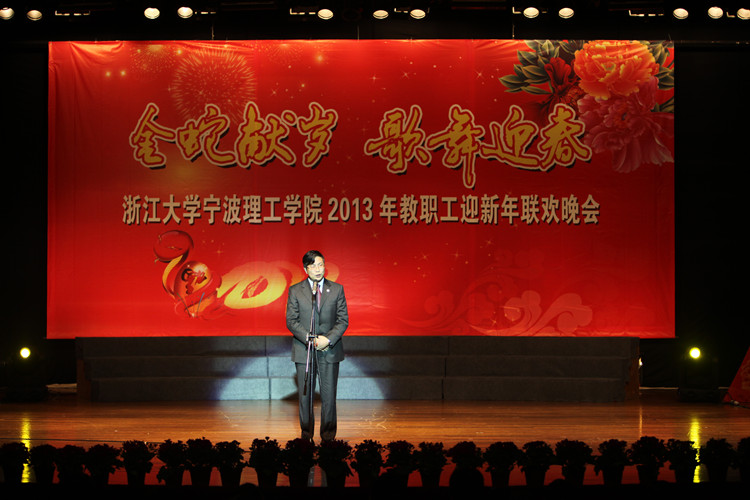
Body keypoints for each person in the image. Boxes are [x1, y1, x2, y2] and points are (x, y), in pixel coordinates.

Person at [285, 250, 348, 442]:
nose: (318, 269)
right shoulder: (296, 290)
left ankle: (328, 438)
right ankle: (306, 437)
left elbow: (343, 320)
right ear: (306, 269)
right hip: (304, 350)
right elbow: (291, 321)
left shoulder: (336, 289)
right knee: (305, 397)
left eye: (320, 265)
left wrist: (327, 339)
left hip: (329, 349)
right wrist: (310, 339)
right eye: (313, 266)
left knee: (329, 397)